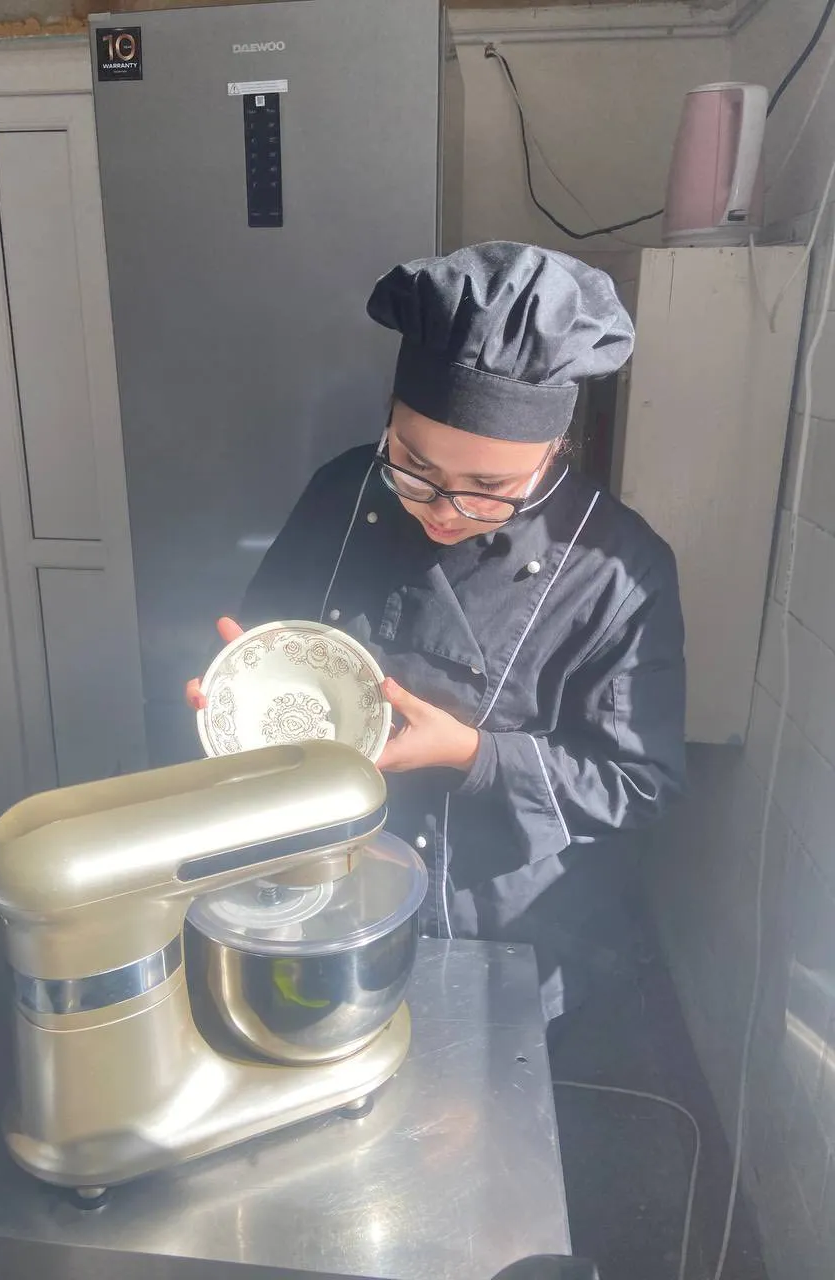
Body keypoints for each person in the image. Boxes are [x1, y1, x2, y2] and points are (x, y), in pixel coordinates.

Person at [187, 242, 686, 1024]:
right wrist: (239, 688)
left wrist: (472, 754)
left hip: (497, 931)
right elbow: (269, 631)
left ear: (555, 449)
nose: (444, 510)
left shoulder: (617, 569)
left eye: (489, 488)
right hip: (322, 889)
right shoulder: (345, 490)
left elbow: (637, 784)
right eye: (414, 466)